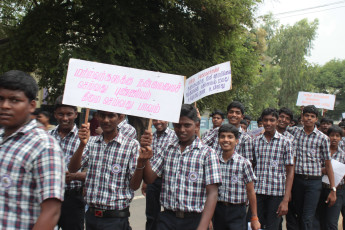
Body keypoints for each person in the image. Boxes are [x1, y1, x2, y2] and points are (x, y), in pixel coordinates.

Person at [0, 70, 65, 229]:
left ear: (31, 106)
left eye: (15, 100)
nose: (5, 106)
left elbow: (51, 212)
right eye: (1, 99)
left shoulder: (44, 146)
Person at [141, 104, 222, 230]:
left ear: (197, 125)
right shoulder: (168, 149)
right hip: (167, 218)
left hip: (194, 220)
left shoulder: (208, 154)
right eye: (178, 125)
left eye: (187, 125)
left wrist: (203, 226)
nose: (182, 130)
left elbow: (212, 193)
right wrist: (145, 158)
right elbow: (149, 178)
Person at [68, 110, 151, 230]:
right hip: (91, 216)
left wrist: (140, 163)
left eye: (111, 116)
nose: (106, 120)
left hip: (116, 218)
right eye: (102, 115)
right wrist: (81, 145)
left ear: (120, 117)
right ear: (97, 117)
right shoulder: (91, 142)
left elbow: (134, 186)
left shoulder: (131, 145)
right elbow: (72, 168)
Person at [288, 105, 336, 230]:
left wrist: (333, 189)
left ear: (316, 119)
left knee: (307, 217)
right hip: (297, 181)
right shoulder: (294, 132)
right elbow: (279, 128)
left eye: (312, 116)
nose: (309, 118)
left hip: (314, 183)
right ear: (302, 117)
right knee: (298, 213)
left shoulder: (323, 138)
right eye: (306, 115)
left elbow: (328, 164)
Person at [251, 108, 294, 230]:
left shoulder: (286, 142)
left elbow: (290, 171)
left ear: (277, 121)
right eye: (266, 120)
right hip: (257, 192)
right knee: (255, 226)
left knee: (273, 227)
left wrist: (285, 199)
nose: (268, 123)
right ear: (262, 121)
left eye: (272, 120)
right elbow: (252, 166)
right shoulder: (255, 142)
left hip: (276, 193)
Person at [213, 124, 260, 230]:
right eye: (222, 136)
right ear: (218, 139)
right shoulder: (213, 161)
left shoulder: (244, 163)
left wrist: (254, 217)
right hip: (217, 209)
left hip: (237, 211)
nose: (226, 140)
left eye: (230, 137)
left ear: (237, 141)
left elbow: (250, 191)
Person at [49, 96, 86, 229]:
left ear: (76, 114)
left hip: (72, 199)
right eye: (61, 114)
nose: (65, 118)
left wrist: (75, 176)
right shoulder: (47, 137)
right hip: (48, 198)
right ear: (55, 115)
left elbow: (92, 172)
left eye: (69, 114)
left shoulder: (85, 141)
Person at [142, 119, 177, 230]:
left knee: (169, 214)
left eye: (160, 119)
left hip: (168, 180)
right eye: (155, 120)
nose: (158, 122)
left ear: (167, 120)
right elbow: (148, 160)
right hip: (152, 180)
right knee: (151, 215)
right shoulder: (150, 137)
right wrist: (146, 181)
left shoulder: (174, 136)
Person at [316, 125, 345, 230]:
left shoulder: (343, 154)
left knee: (331, 222)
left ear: (341, 138)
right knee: (319, 219)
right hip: (321, 188)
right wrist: (323, 170)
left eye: (337, 136)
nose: (334, 138)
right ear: (327, 136)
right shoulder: (320, 152)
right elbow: (313, 168)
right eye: (332, 135)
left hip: (337, 190)